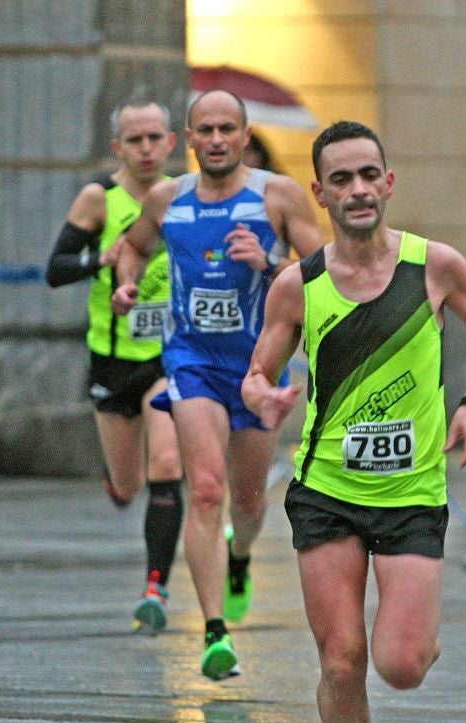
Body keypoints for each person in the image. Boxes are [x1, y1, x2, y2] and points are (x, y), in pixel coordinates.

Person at [242, 121, 466, 723]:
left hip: (411, 492)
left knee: (401, 666)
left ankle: (418, 633)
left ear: (388, 183)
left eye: (368, 176)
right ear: (320, 193)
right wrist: (264, 395)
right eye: (341, 179)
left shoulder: (435, 265)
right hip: (325, 489)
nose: (357, 190)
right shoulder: (300, 285)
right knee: (340, 660)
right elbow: (259, 373)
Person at [112, 90, 324, 680]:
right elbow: (132, 248)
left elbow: (328, 270)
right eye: (205, 130)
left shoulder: (276, 196)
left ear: (245, 134)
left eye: (227, 128)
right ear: (189, 138)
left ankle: (239, 554)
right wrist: (127, 285)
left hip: (258, 366)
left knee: (248, 502)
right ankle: (214, 633)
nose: (216, 140)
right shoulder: (166, 199)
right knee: (205, 489)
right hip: (191, 362)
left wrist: (269, 261)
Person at [44, 98, 185, 632]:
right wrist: (98, 259)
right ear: (117, 147)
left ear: (171, 142)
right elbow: (55, 269)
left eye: (155, 138)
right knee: (128, 487)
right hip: (112, 358)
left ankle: (155, 588)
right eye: (135, 140)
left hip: (169, 357)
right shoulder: (98, 198)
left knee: (166, 466)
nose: (146, 149)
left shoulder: (185, 196)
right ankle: (117, 478)